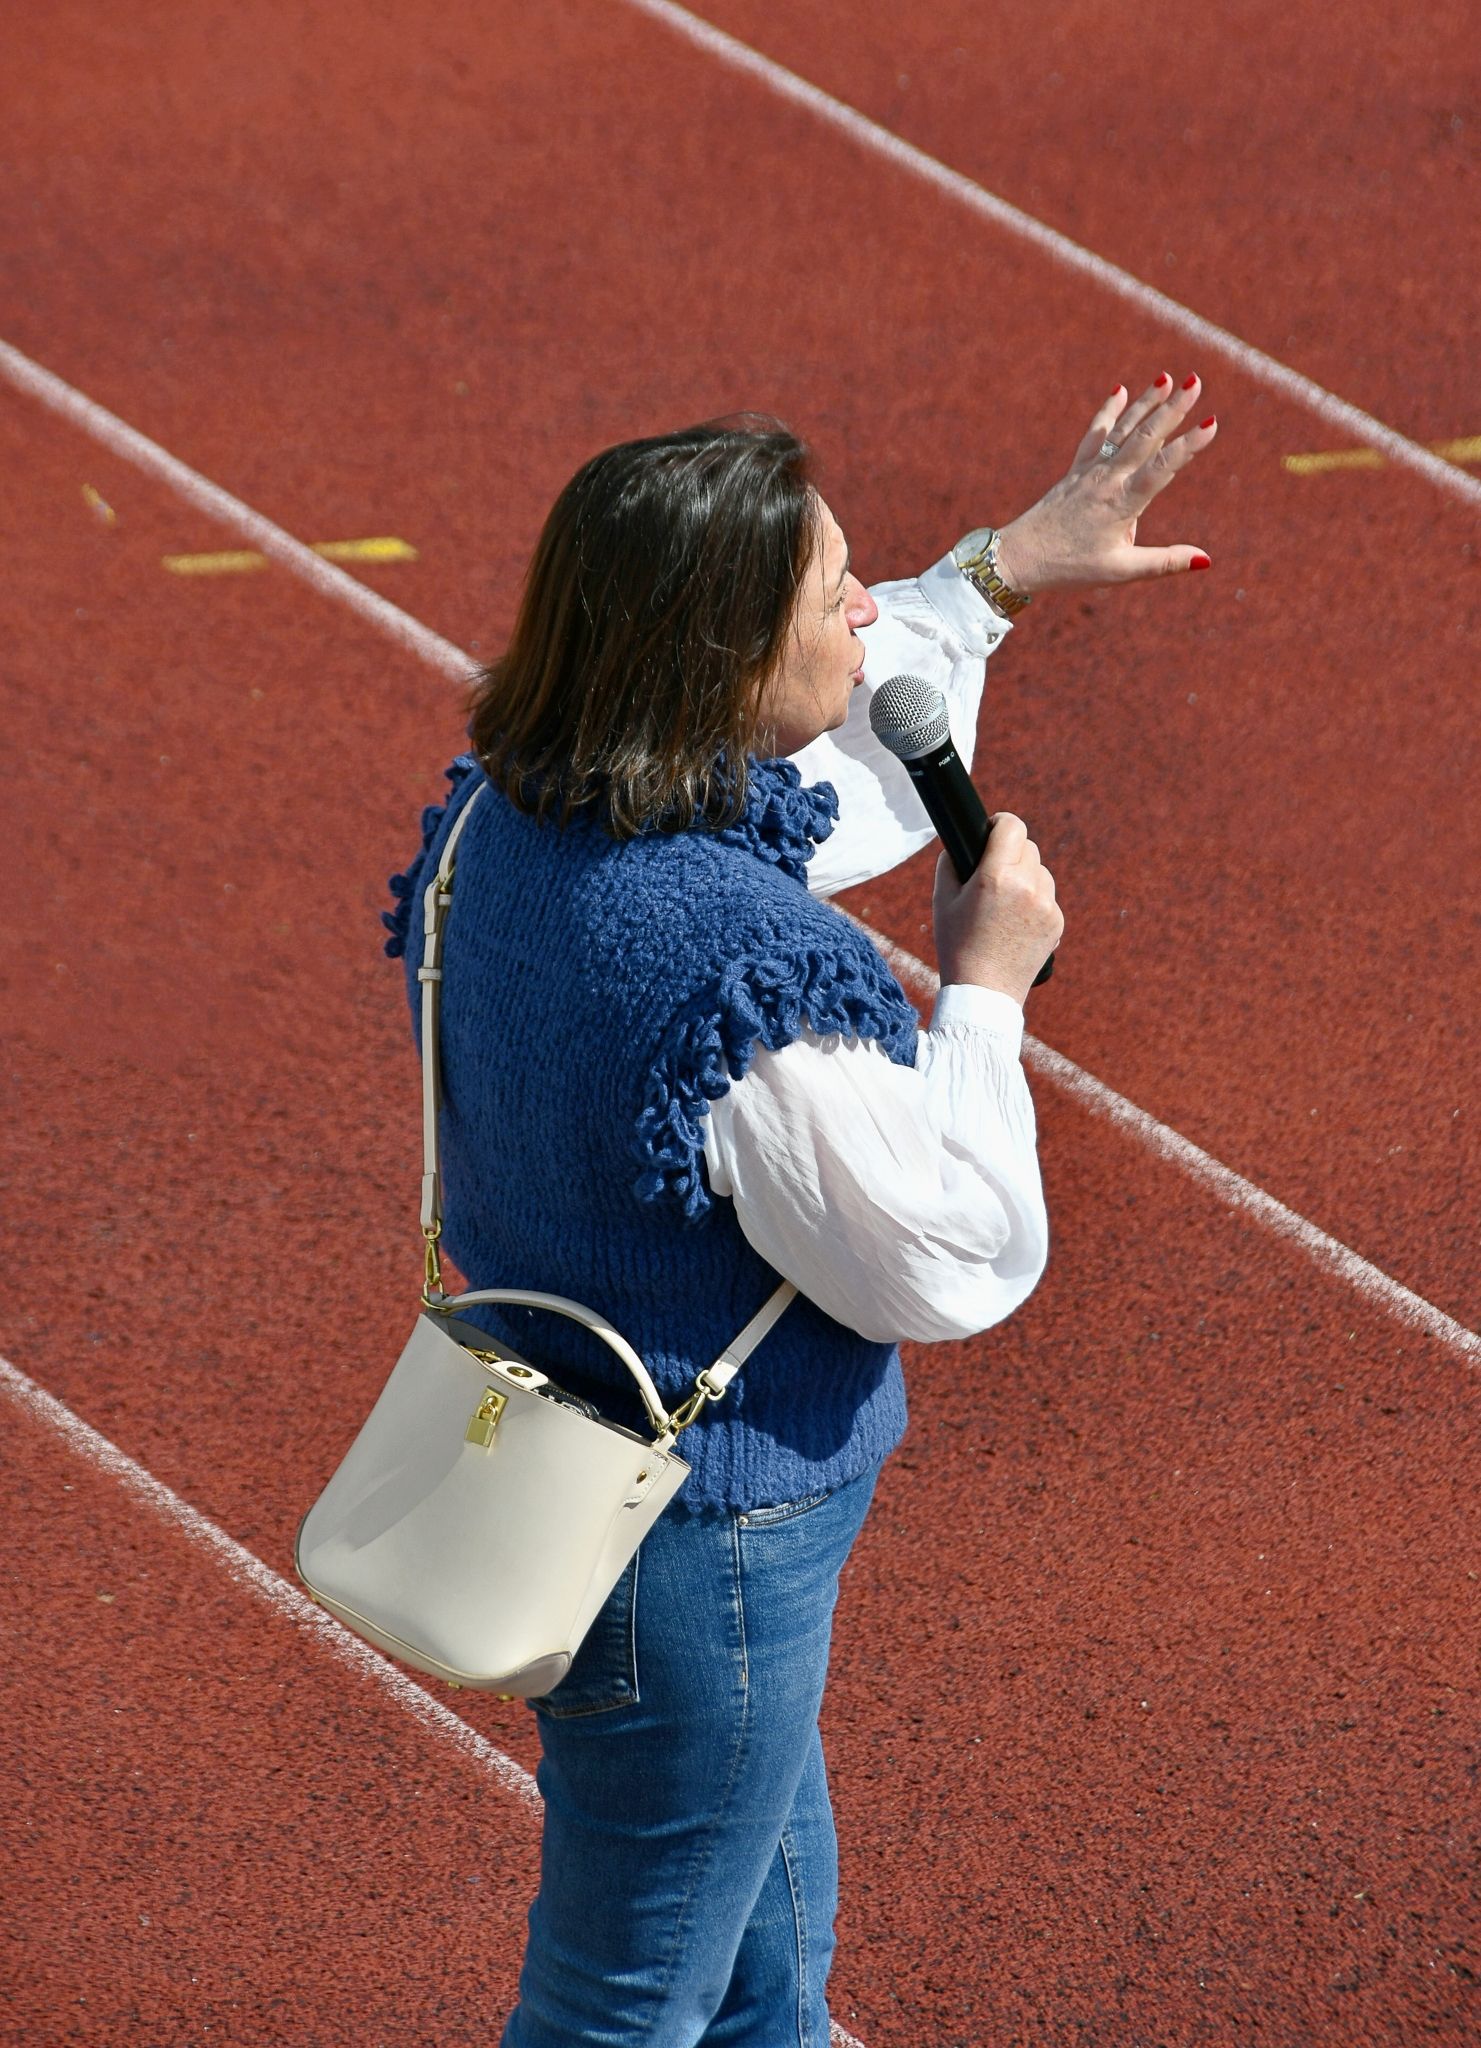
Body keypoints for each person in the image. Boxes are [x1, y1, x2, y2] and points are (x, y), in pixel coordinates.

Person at [380, 373, 1216, 2047]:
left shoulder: (517, 817)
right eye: (831, 588)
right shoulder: (740, 972)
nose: (864, 603)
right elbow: (941, 1256)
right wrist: (982, 994)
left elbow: (817, 779)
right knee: (630, 1993)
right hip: (705, 1526)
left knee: (765, 1956)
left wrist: (1001, 569)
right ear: (712, 662)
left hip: (572, 1450)